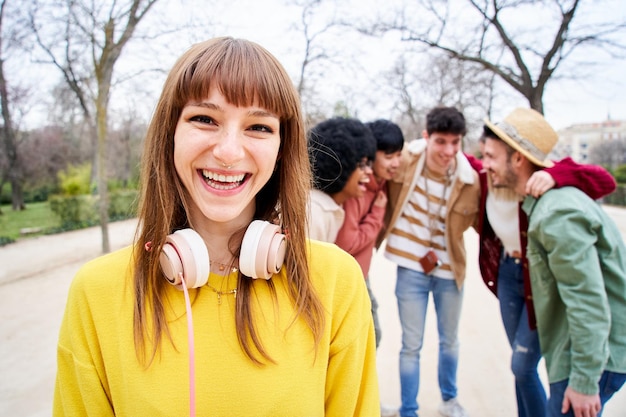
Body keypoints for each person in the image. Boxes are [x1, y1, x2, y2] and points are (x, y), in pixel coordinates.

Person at [53, 37, 380, 416]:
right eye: (204, 119)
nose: (228, 152)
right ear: (170, 132)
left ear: (280, 148)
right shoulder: (97, 294)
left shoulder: (335, 282)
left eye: (258, 127)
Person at [481, 107, 626, 417]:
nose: (486, 165)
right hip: (579, 352)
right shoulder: (549, 204)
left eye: (492, 157)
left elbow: (587, 301)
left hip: (593, 360)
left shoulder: (555, 215)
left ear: (518, 159)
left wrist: (585, 382)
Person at [380, 106, 480, 417]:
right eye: (440, 142)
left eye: (455, 142)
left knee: (449, 341)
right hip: (411, 267)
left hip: (450, 270)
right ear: (426, 137)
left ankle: (450, 401)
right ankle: (409, 410)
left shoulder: (469, 180)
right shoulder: (406, 160)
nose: (448, 151)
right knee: (411, 345)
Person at [335, 119, 405, 349]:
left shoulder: (382, 180)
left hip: (361, 272)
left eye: (399, 155)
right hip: (349, 275)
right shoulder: (358, 189)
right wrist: (377, 213)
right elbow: (347, 243)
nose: (396, 163)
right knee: (370, 337)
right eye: (389, 156)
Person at [306, 116, 377, 242]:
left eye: (369, 164)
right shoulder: (314, 211)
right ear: (339, 165)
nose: (369, 171)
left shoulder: (327, 205)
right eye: (362, 165)